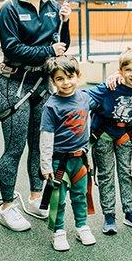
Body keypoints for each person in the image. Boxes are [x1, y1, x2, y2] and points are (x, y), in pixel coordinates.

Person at [0, 0, 71, 232]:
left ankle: (37, 197)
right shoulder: (10, 8)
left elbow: (61, 46)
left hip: (42, 86)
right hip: (14, 86)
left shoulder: (53, 6)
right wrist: (48, 50)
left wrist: (66, 23)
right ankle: (6, 207)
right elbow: (11, 48)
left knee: (40, 146)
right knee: (14, 149)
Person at [85, 49, 132, 235]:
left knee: (125, 173)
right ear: (120, 71)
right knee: (105, 175)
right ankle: (109, 216)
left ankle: (130, 212)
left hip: (124, 135)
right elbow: (85, 98)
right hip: (103, 134)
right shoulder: (109, 87)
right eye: (127, 70)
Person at [39, 56, 97, 251]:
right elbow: (46, 136)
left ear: (77, 76)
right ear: (53, 81)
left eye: (70, 77)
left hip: (80, 159)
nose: (66, 82)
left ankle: (82, 226)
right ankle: (58, 232)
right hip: (59, 162)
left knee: (80, 195)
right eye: (60, 79)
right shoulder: (51, 105)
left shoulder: (85, 97)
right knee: (59, 198)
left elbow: (107, 91)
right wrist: (45, 165)